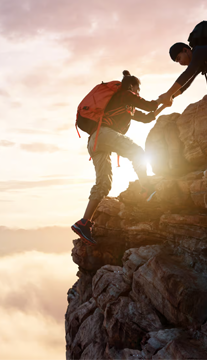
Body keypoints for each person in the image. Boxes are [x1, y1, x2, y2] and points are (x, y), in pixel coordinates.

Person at [72, 71, 160, 246]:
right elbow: (149, 107)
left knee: (103, 184)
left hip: (94, 142)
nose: (138, 92)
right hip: (105, 134)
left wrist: (159, 107)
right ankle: (147, 188)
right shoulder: (125, 95)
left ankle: (84, 223)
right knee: (137, 153)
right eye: (138, 89)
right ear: (133, 86)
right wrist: (162, 100)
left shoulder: (125, 104)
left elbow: (146, 117)